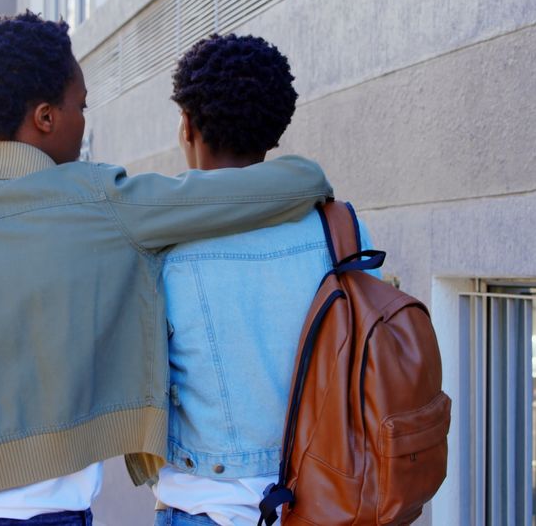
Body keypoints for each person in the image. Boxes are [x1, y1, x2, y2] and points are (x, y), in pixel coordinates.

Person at [0, 13, 334, 526]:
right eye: (81, 106)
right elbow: (275, 186)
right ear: (46, 117)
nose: (84, 121)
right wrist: (310, 173)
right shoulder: (100, 203)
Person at [151, 34, 379, 526]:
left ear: (187, 124)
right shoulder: (339, 228)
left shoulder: (164, 247)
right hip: (328, 501)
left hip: (206, 507)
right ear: (274, 131)